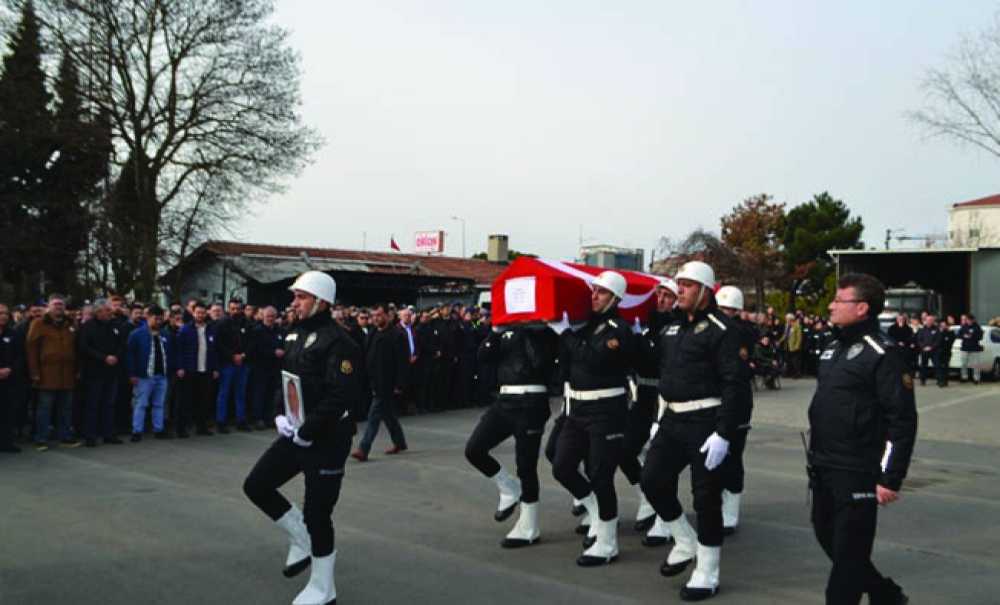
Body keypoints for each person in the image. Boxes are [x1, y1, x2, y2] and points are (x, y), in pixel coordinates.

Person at [242, 271, 361, 605]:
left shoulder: (341, 342)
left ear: (320, 301)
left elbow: (340, 396)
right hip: (297, 433)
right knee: (257, 485)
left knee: (318, 514)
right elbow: (288, 379)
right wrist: (280, 413)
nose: (293, 303)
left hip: (327, 438)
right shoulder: (294, 334)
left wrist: (308, 432)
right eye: (295, 296)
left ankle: (324, 588)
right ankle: (301, 538)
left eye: (301, 297)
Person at [639, 261, 745, 601]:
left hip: (706, 423)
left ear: (704, 290)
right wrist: (658, 418)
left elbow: (735, 385)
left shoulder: (723, 329)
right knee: (652, 481)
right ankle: (684, 541)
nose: (678, 290)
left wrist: (725, 433)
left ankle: (707, 571)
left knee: (706, 499)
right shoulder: (672, 329)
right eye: (678, 284)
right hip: (671, 420)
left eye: (686, 285)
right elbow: (662, 377)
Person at [808, 274, 917, 604]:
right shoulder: (833, 349)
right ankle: (885, 593)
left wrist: (890, 477)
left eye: (839, 300)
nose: (831, 305)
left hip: (857, 468)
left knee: (847, 559)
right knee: (828, 538)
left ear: (861, 308)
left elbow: (903, 420)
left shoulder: (883, 353)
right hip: (823, 464)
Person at [549, 270, 635, 567]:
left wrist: (567, 334)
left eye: (600, 292)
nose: (594, 296)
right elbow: (568, 362)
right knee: (561, 466)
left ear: (615, 298)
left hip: (606, 412)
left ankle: (608, 541)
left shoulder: (618, 329)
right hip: (578, 411)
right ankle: (595, 510)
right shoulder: (584, 326)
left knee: (600, 474)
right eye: (593, 291)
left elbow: (594, 359)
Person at [465, 322, 557, 547]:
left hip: (532, 401)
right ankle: (509, 487)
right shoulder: (505, 331)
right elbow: (483, 356)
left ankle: (529, 525)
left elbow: (540, 361)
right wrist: (495, 331)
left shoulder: (543, 331)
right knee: (474, 449)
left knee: (526, 466)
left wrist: (530, 329)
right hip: (505, 401)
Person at [630, 277, 679, 541]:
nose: (660, 300)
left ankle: (664, 518)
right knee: (626, 450)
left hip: (665, 397)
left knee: (664, 459)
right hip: (643, 394)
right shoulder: (649, 324)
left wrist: (641, 342)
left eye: (667, 296)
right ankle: (647, 497)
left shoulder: (674, 328)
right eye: (658, 295)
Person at [714, 286, 755, 536]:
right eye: (721, 309)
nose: (724, 314)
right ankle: (716, 502)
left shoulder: (741, 333)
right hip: (716, 400)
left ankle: (731, 507)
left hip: (738, 402)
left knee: (733, 456)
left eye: (729, 310)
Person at [351, 303, 409, 461]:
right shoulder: (372, 333)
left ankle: (364, 448)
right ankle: (400, 442)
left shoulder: (397, 335)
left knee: (374, 415)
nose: (376, 319)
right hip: (373, 381)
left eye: (379, 315)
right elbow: (366, 355)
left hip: (387, 383)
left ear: (388, 316)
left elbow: (403, 362)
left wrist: (400, 384)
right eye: (373, 316)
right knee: (388, 414)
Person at [26, 294, 81, 451]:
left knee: (66, 408)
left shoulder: (71, 323)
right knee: (44, 408)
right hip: (47, 373)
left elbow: (77, 348)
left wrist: (78, 370)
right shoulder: (38, 323)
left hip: (67, 373)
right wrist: (34, 372)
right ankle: (40, 438)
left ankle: (65, 436)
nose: (59, 307)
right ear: (49, 306)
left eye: (61, 304)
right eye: (56, 304)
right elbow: (31, 349)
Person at [77, 299, 126, 446]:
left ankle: (108, 434)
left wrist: (116, 356)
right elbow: (84, 347)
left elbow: (122, 344)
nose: (111, 313)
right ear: (98, 312)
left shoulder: (115, 325)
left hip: (112, 371)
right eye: (107, 310)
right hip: (94, 372)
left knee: (109, 404)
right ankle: (90, 435)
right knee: (93, 404)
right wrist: (103, 357)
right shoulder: (87, 327)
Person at [126, 304, 173, 441]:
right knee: (141, 403)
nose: (158, 322)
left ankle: (159, 429)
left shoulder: (165, 334)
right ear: (148, 317)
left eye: (160, 319)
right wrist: (132, 374)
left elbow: (170, 353)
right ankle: (137, 431)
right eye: (155, 319)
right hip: (144, 375)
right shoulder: (137, 334)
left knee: (159, 403)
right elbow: (130, 355)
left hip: (161, 375)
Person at [177, 301, 220, 436]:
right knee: (186, 400)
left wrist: (215, 368)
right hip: (190, 369)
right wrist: (180, 367)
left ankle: (201, 427)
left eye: (203, 313)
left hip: (205, 370)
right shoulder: (185, 329)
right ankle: (181, 428)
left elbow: (214, 351)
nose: (200, 315)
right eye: (198, 313)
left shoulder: (210, 329)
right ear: (193, 313)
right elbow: (179, 350)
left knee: (203, 400)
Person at [216, 298, 251, 433]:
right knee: (224, 393)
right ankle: (221, 421)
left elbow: (251, 342)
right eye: (233, 309)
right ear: (228, 309)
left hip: (243, 362)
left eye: (238, 308)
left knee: (240, 393)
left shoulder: (247, 323)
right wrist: (232, 356)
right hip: (227, 363)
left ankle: (241, 420)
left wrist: (243, 355)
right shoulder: (222, 323)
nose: (236, 311)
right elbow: (219, 344)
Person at [250, 306, 286, 430]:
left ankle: (268, 418)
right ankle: (257, 418)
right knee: (259, 393)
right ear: (263, 316)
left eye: (273, 316)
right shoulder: (257, 331)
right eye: (268, 316)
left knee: (271, 394)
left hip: (275, 367)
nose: (271, 318)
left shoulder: (280, 331)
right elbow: (255, 349)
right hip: (261, 367)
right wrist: (273, 352)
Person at [0, 304, 20, 453]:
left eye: (6, 313)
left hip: (9, 379)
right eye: (1, 313)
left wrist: (10, 368)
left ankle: (7, 442)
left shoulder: (13, 333)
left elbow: (20, 355)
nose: (4, 316)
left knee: (7, 411)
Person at [958, 314, 984, 384]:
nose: (968, 321)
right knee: (963, 364)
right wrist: (964, 336)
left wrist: (972, 336)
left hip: (975, 348)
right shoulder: (964, 326)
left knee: (976, 364)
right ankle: (964, 377)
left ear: (973, 320)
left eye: (970, 320)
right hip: (965, 348)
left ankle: (976, 378)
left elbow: (980, 337)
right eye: (967, 320)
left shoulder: (977, 327)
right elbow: (959, 335)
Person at [934, 319, 955, 388]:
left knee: (945, 367)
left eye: (944, 325)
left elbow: (950, 342)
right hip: (938, 352)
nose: (943, 326)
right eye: (942, 325)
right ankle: (940, 381)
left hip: (946, 352)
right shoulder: (938, 332)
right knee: (938, 367)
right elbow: (935, 341)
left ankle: (945, 381)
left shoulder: (950, 333)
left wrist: (944, 333)